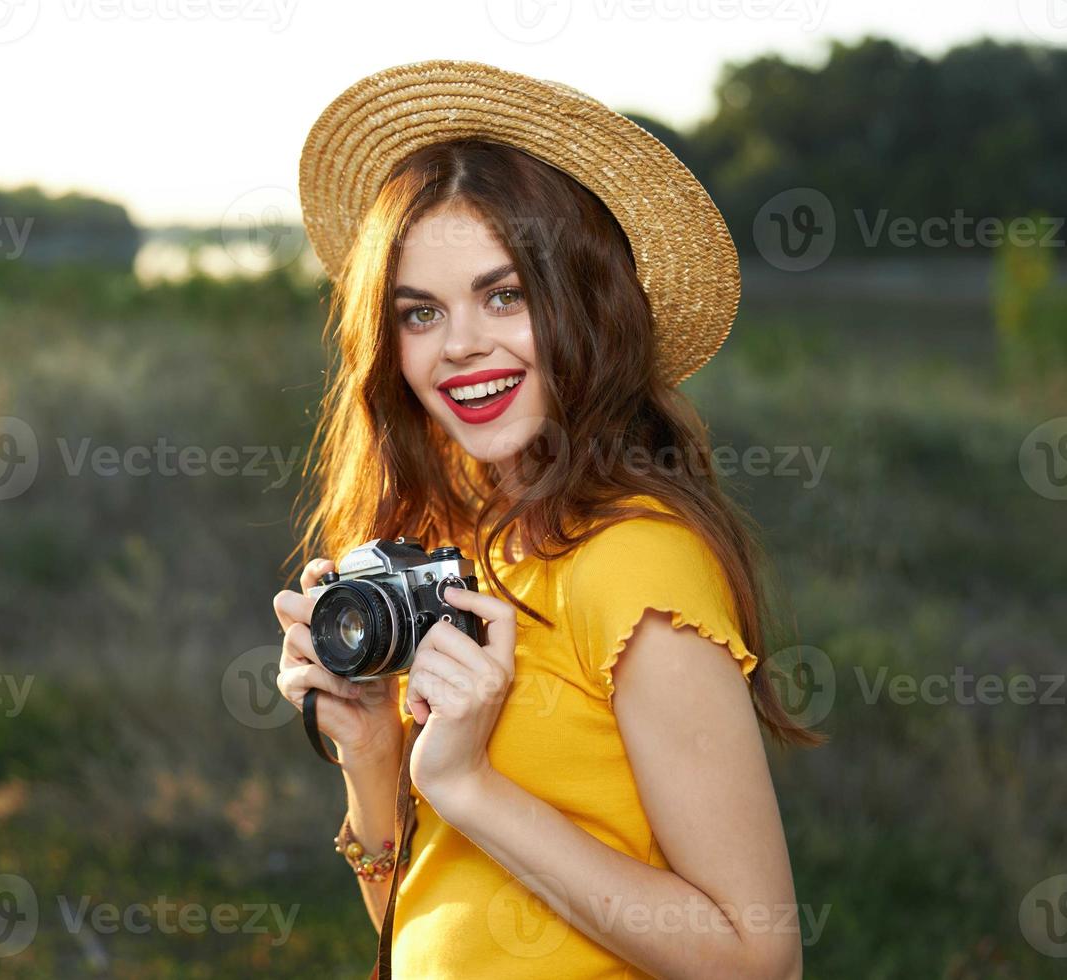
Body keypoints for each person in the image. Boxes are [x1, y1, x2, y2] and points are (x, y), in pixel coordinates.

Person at [272, 60, 823, 979]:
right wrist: (372, 753)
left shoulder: (637, 561)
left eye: (504, 295)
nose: (460, 347)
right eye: (419, 312)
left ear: (585, 305)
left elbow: (756, 956)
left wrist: (466, 782)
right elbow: (432, 921)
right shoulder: (465, 550)